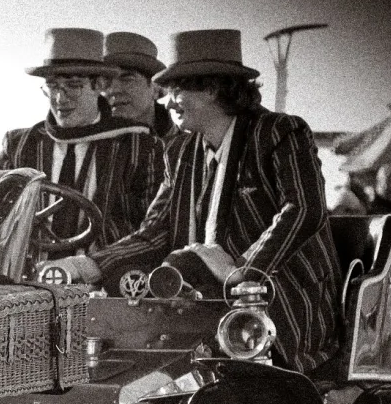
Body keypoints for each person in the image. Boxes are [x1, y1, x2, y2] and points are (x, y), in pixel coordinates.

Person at [95, 30, 343, 374]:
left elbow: (302, 209)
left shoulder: (278, 131)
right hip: (199, 307)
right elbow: (156, 231)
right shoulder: (180, 151)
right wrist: (91, 264)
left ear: (212, 89)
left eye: (177, 90)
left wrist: (243, 271)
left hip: (279, 302)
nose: (167, 102)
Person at [0, 28, 162, 250]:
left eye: (73, 85)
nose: (60, 98)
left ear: (98, 85)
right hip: (23, 275)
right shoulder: (18, 145)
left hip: (102, 278)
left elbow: (150, 228)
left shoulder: (140, 146)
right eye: (52, 86)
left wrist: (91, 264)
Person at [103, 32, 178, 140]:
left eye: (127, 79)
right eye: (106, 81)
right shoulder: (87, 144)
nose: (113, 90)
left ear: (155, 89)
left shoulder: (190, 146)